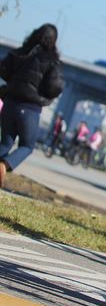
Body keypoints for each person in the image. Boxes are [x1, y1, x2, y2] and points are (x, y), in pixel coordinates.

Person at [0, 23, 64, 188]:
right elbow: (55, 86)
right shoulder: (52, 61)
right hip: (29, 109)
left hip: (9, 103)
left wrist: (14, 82)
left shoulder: (19, 52)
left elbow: (3, 69)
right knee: (27, 146)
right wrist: (44, 94)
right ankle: (4, 165)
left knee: (5, 143)